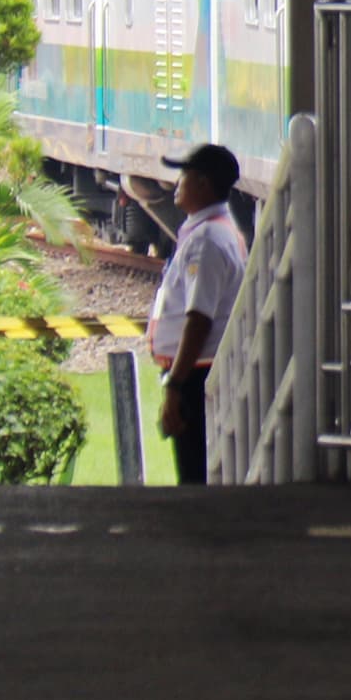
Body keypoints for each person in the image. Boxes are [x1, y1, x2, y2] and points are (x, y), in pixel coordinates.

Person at [148, 142, 249, 486]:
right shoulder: (214, 230)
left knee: (194, 475)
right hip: (199, 371)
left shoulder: (207, 240)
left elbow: (199, 318)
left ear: (203, 183)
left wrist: (175, 384)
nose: (177, 182)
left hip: (196, 375)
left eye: (185, 175)